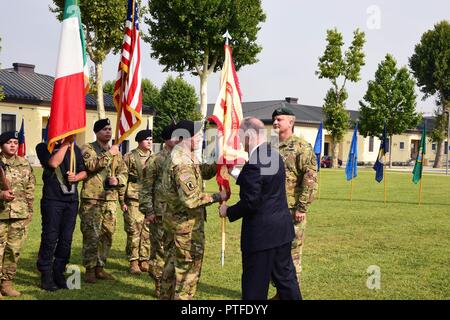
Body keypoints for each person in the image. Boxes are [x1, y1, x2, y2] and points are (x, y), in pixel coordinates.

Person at [219, 117, 301, 300]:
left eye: (241, 137)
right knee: (286, 282)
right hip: (281, 231)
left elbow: (251, 201)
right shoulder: (273, 155)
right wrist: (235, 172)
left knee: (254, 288)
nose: (240, 142)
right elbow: (263, 184)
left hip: (262, 237)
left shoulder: (255, 163)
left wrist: (228, 211)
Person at [159, 120, 228, 300]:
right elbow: (190, 199)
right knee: (187, 272)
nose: (201, 138)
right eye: (198, 135)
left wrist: (218, 159)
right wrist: (216, 197)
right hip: (184, 228)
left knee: (170, 268)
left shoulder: (183, 154)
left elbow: (203, 172)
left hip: (173, 223)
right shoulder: (182, 161)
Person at [272, 107, 318, 297]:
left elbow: (310, 179)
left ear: (291, 122)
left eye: (279, 119)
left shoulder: (302, 147)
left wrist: (302, 207)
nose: (275, 122)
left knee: (292, 254)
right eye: (274, 119)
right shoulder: (271, 147)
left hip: (292, 211)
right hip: (273, 211)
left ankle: (292, 294)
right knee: (276, 254)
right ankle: (282, 292)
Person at [35, 135, 87, 291]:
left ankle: (59, 271)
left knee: (66, 239)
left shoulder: (75, 150)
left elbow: (84, 171)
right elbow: (53, 162)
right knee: (50, 238)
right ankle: (46, 273)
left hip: (71, 202)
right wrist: (66, 144)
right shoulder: (44, 147)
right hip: (52, 200)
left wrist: (77, 177)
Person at [79, 118, 128, 283]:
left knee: (107, 234)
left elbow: (124, 173)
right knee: (91, 235)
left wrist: (118, 180)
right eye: (104, 129)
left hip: (110, 199)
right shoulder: (88, 148)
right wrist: (109, 153)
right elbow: (91, 165)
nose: (108, 131)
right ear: (97, 132)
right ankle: (90, 269)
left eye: (109, 129)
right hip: (92, 199)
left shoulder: (115, 152)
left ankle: (100, 267)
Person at [140, 122, 178, 298]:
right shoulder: (156, 160)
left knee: (175, 251)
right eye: (174, 136)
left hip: (177, 214)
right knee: (160, 251)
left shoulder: (182, 157)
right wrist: (149, 211)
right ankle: (159, 284)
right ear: (166, 139)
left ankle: (172, 285)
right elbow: (146, 188)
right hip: (159, 214)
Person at [0, 131, 35, 298]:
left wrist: (30, 211)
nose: (13, 145)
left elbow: (30, 189)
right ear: (2, 145)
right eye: (9, 142)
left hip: (20, 214)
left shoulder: (24, 163)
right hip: (1, 213)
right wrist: (1, 195)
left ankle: (7, 283)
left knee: (13, 250)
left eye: (15, 142)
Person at [122, 129, 153, 274]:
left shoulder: (155, 157)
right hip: (134, 197)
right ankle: (133, 261)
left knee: (147, 231)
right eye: (147, 139)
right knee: (134, 230)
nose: (149, 142)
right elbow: (122, 178)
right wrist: (122, 200)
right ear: (139, 141)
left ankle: (144, 259)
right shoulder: (130, 156)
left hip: (150, 199)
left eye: (151, 139)